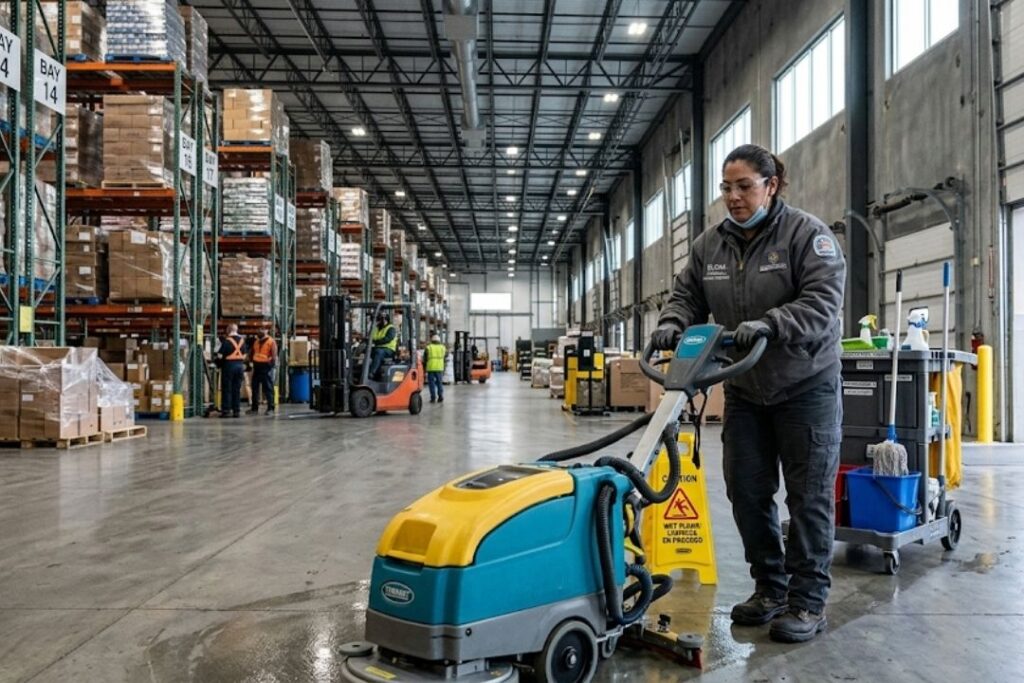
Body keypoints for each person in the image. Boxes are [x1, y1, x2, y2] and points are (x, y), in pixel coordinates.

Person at [651, 144, 846, 644]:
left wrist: (770, 324)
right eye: (726, 188)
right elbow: (686, 295)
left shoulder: (807, 236)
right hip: (744, 387)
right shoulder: (709, 245)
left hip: (805, 386)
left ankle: (807, 601)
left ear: (771, 185)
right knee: (747, 493)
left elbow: (823, 301)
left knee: (808, 499)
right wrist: (673, 324)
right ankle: (771, 587)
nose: (733, 198)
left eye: (744, 186)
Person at [215, 323, 247, 418]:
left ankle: (226, 410)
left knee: (227, 389)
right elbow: (245, 354)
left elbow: (220, 355)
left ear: (228, 330)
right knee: (236, 389)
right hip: (240, 366)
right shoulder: (242, 341)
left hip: (229, 366)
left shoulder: (227, 341)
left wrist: (218, 364)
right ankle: (236, 411)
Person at [248, 326, 278, 415]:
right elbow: (252, 353)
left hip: (266, 367)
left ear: (266, 331)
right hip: (257, 367)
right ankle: (254, 408)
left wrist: (270, 366)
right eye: (258, 329)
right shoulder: (256, 342)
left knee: (268, 388)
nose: (259, 330)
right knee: (254, 388)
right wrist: (249, 361)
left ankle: (271, 408)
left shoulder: (271, 341)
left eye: (262, 329)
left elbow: (274, 355)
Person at [369, 312, 397, 380]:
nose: (377, 322)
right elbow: (371, 337)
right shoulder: (376, 328)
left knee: (378, 352)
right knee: (366, 352)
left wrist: (375, 342)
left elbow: (388, 339)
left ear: (384, 320)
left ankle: (371, 373)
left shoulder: (391, 328)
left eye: (378, 320)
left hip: (389, 350)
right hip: (378, 348)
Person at [424, 334, 447, 404]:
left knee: (431, 383)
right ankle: (440, 397)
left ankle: (433, 398)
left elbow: (425, 358)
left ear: (432, 340)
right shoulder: (443, 347)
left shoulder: (428, 347)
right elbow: (445, 358)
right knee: (439, 383)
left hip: (431, 367)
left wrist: (424, 366)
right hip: (439, 368)